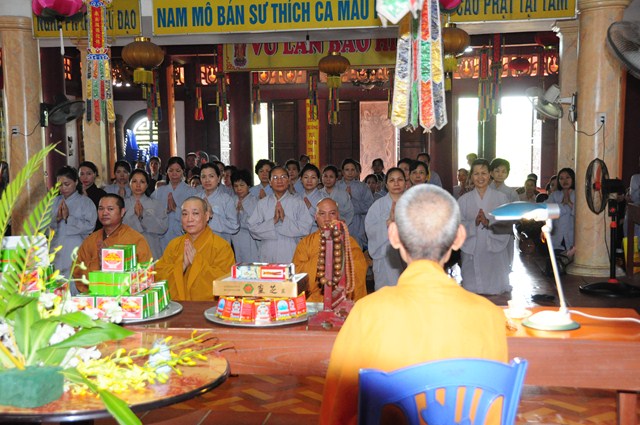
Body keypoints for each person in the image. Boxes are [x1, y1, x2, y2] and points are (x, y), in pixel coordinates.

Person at [320, 184, 508, 425]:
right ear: (459, 237)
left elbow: (338, 409)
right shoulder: (489, 316)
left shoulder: (368, 313)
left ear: (393, 235)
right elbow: (493, 410)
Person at [155, 196, 235, 301]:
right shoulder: (174, 245)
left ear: (206, 216)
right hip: (176, 306)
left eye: (195, 213)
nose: (189, 219)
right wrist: (181, 266)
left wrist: (197, 262)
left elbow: (226, 283)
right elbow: (158, 275)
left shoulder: (221, 246)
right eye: (185, 214)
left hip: (208, 308)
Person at [292, 198, 368, 302]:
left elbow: (358, 274)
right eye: (322, 214)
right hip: (314, 301)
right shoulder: (305, 243)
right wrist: (324, 256)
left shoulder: (349, 242)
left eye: (332, 213)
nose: (327, 219)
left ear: (338, 216)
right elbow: (298, 276)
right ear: (316, 217)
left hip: (342, 301)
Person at [74, 194, 152, 293]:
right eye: (101, 209)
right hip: (96, 295)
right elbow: (78, 270)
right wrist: (99, 270)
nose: (104, 213)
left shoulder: (135, 239)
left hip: (125, 297)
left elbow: (145, 273)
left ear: (122, 212)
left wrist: (111, 263)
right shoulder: (91, 240)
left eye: (110, 209)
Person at [458, 159, 511, 295]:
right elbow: (457, 226)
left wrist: (489, 223)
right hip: (473, 248)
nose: (480, 177)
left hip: (494, 248)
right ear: (471, 176)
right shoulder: (463, 200)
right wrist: (473, 223)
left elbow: (506, 225)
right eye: (476, 174)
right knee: (472, 291)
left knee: (495, 290)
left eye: (484, 173)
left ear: (489, 175)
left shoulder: (501, 198)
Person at [248, 166, 314, 263]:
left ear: (289, 180)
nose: (279, 181)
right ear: (270, 182)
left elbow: (306, 229)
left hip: (291, 252)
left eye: (283, 177)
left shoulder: (298, 202)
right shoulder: (262, 203)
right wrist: (273, 221)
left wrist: (284, 219)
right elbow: (252, 228)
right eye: (275, 177)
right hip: (268, 252)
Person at [50, 166, 98, 290]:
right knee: (56, 282)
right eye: (60, 185)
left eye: (67, 184)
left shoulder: (86, 202)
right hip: (56, 247)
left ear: (76, 182)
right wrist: (56, 219)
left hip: (75, 247)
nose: (63, 188)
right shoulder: (53, 202)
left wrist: (68, 218)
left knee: (74, 280)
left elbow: (90, 226)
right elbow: (43, 227)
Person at [365, 167, 407, 291]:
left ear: (406, 182)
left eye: (400, 179)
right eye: (392, 180)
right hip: (385, 259)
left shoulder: (413, 204)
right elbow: (370, 231)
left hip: (409, 257)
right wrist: (387, 223)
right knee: (387, 296)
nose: (396, 183)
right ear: (386, 185)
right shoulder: (377, 206)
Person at [152, 156, 197, 251]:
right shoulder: (159, 192)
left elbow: (195, 215)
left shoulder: (191, 192)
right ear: (166, 172)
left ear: (183, 171)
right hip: (163, 237)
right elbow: (151, 213)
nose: (174, 174)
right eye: (171, 170)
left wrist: (176, 209)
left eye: (178, 170)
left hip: (183, 236)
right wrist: (165, 211)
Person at [122, 169, 168, 260]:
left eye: (142, 182)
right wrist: (134, 215)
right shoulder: (123, 204)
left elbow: (163, 228)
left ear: (147, 185)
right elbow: (119, 227)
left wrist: (144, 215)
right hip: (128, 246)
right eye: (134, 181)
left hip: (151, 246)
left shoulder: (156, 204)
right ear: (129, 184)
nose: (138, 185)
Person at [337, 159, 374, 249]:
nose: (350, 172)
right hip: (340, 223)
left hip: (357, 224)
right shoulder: (336, 186)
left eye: (352, 170)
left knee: (356, 251)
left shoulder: (363, 187)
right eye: (347, 170)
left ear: (356, 171)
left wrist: (351, 200)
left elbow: (369, 206)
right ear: (342, 171)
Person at [198, 162, 239, 244]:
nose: (207, 180)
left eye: (211, 176)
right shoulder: (195, 199)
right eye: (203, 177)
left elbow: (234, 226)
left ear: (219, 178)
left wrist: (212, 216)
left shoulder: (226, 199)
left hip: (220, 246)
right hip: (198, 246)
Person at [230, 169, 260, 262]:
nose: (239, 189)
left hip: (250, 240)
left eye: (242, 185)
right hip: (235, 239)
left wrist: (242, 212)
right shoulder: (231, 201)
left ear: (248, 185)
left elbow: (255, 224)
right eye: (236, 186)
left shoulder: (255, 202)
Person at [546, 167, 576, 252]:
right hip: (557, 236)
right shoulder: (555, 195)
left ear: (573, 179)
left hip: (572, 236)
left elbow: (581, 215)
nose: (564, 181)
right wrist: (562, 204)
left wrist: (569, 203)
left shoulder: (577, 194)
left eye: (567, 177)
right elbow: (548, 210)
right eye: (561, 178)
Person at [299, 163, 328, 233]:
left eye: (313, 177)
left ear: (318, 180)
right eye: (306, 177)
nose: (309, 180)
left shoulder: (324, 198)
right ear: (301, 179)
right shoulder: (297, 197)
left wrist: (310, 208)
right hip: (299, 235)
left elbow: (327, 219)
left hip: (318, 234)